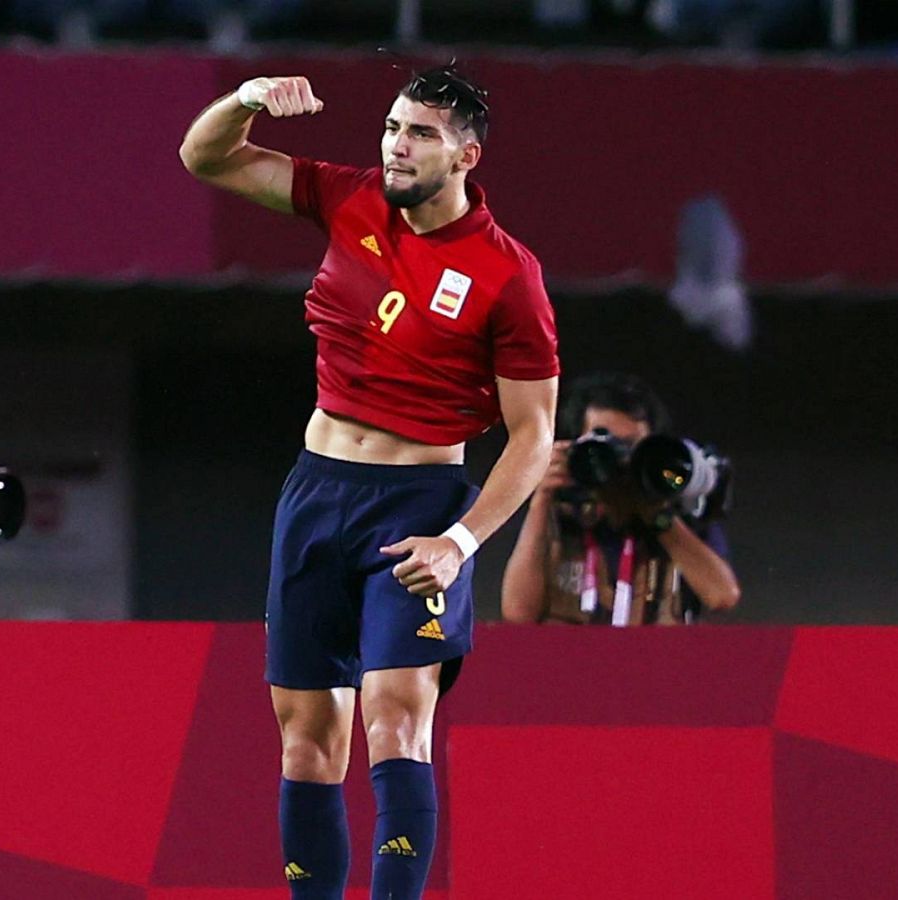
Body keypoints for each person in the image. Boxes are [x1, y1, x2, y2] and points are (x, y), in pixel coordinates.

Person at [180, 65, 558, 899]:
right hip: (317, 494)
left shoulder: (508, 276)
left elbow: (534, 438)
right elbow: (206, 159)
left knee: (395, 720)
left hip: (419, 510)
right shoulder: (349, 200)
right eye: (391, 127)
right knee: (307, 740)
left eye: (419, 133)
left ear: (465, 156)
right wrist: (245, 99)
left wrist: (460, 543)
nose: (395, 144)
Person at [501, 373, 739, 624]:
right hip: (570, 659)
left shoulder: (679, 510)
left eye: (631, 445)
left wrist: (658, 517)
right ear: (576, 444)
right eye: (602, 441)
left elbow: (722, 596)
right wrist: (541, 500)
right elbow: (518, 613)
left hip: (657, 660)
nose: (618, 458)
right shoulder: (561, 512)